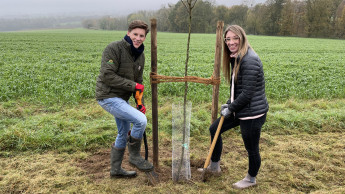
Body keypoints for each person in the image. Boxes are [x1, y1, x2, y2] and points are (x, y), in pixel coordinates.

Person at [203, 25, 269, 189]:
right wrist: (229, 102)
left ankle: (251, 179)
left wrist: (231, 108)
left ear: (242, 38)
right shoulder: (237, 57)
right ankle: (214, 166)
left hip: (253, 113)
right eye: (228, 39)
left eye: (235, 38)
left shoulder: (249, 60)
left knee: (251, 148)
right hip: (241, 108)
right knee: (214, 129)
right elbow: (238, 89)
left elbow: (247, 94)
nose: (231, 42)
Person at [95, 20, 153, 178]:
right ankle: (134, 156)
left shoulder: (140, 56)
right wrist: (134, 86)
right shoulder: (114, 48)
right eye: (135, 34)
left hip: (122, 99)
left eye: (141, 36)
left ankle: (115, 170)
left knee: (122, 133)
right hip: (108, 96)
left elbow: (138, 83)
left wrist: (139, 102)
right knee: (141, 121)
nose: (138, 38)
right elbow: (107, 75)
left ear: (145, 38)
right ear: (128, 33)